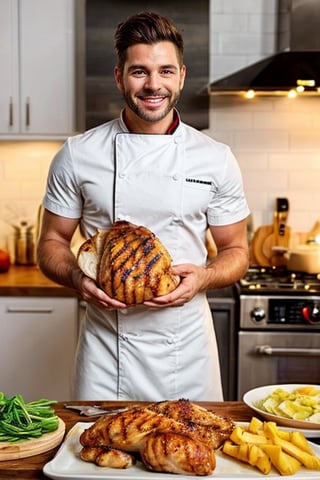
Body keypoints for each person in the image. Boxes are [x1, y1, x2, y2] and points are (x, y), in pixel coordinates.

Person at [37, 11, 250, 401]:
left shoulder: (215, 159)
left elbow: (236, 250)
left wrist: (202, 278)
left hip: (186, 352)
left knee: (193, 455)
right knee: (93, 457)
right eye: (140, 71)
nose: (154, 85)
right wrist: (77, 280)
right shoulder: (78, 154)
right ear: (119, 76)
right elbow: (51, 242)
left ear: (182, 76)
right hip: (106, 352)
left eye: (166, 71)